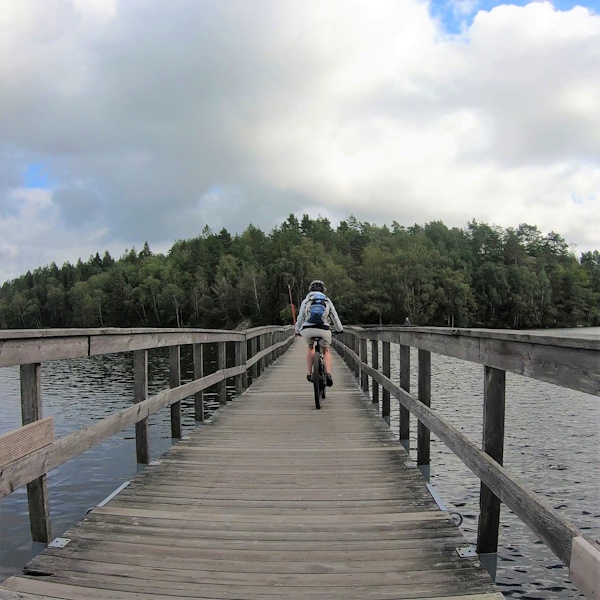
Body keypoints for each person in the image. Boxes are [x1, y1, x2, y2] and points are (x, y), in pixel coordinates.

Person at [294, 280, 343, 387]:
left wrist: (297, 331)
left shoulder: (307, 300)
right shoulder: (327, 300)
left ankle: (309, 373)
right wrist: (339, 329)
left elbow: (300, 317)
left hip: (308, 330)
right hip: (323, 329)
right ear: (323, 290)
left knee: (310, 347)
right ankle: (328, 373)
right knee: (326, 351)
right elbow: (334, 316)